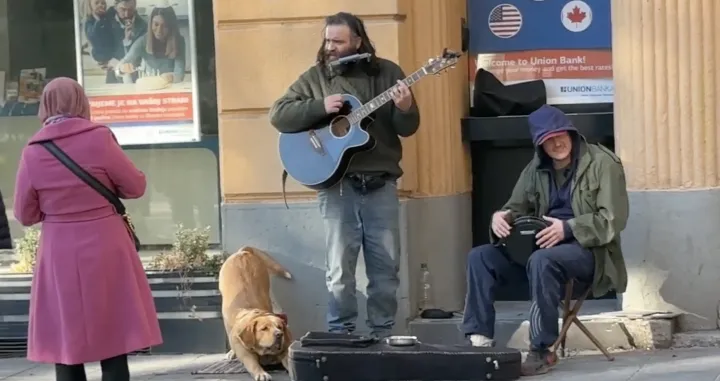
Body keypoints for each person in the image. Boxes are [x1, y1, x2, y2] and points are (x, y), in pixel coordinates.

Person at [268, 12, 420, 338]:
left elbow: (407, 128)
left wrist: (406, 107)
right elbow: (279, 115)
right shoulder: (316, 77)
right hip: (338, 187)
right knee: (340, 270)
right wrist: (320, 107)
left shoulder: (388, 73)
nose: (331, 47)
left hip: (380, 185)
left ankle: (382, 335)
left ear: (358, 42)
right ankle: (341, 336)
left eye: (338, 41)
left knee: (385, 269)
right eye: (327, 40)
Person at [460, 105, 629, 376]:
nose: (556, 143)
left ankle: (541, 349)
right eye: (547, 140)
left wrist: (569, 228)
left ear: (571, 133)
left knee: (542, 260)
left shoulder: (603, 163)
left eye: (559, 135)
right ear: (539, 145)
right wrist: (499, 218)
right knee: (480, 257)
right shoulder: (534, 169)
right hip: (537, 254)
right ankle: (479, 342)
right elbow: (514, 208)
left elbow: (613, 219)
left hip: (588, 254)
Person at [13, 77, 162, 381]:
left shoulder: (33, 151)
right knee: (113, 334)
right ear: (82, 101)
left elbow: (24, 214)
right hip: (106, 241)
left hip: (59, 249)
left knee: (66, 340)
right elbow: (135, 187)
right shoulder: (99, 138)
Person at [117, 5, 186, 84]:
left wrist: (171, 77)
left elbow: (179, 74)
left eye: (165, 26)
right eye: (156, 24)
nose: (159, 30)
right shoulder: (143, 41)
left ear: (171, 27)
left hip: (170, 86)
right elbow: (120, 67)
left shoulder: (179, 41)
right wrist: (121, 69)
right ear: (151, 24)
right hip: (149, 86)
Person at [84, 0, 148, 84]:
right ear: (115, 6)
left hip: (135, 76)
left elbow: (141, 54)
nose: (126, 14)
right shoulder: (106, 18)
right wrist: (100, 59)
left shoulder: (143, 26)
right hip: (112, 77)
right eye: (123, 9)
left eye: (130, 10)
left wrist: (128, 40)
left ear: (135, 6)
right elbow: (94, 42)